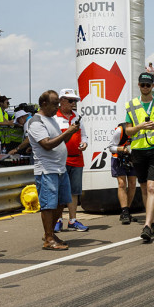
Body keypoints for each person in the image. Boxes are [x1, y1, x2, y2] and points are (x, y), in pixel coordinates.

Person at [27, 90, 79, 251]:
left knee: (62, 201)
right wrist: (68, 133)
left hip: (59, 168)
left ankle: (49, 232)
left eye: (58, 103)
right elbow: (47, 144)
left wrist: (70, 132)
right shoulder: (36, 122)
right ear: (43, 104)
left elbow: (60, 140)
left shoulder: (51, 119)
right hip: (47, 169)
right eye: (54, 103)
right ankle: (49, 238)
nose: (57, 106)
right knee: (48, 205)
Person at [123, 72, 154, 243]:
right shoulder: (131, 105)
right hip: (138, 150)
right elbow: (127, 130)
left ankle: (147, 226)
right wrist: (139, 127)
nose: (145, 87)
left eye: (148, 85)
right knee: (144, 188)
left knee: (152, 188)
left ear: (152, 86)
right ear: (139, 86)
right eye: (142, 85)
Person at [54, 89, 89, 232]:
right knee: (60, 191)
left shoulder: (77, 117)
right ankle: (58, 220)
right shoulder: (54, 118)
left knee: (74, 192)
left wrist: (84, 143)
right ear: (61, 101)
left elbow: (84, 136)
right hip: (60, 160)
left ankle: (73, 220)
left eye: (75, 101)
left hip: (77, 159)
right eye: (70, 100)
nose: (73, 103)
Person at [106, 119, 138, 224]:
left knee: (133, 183)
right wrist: (122, 149)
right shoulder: (120, 130)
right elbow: (111, 147)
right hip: (119, 158)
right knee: (122, 183)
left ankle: (127, 211)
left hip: (132, 158)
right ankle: (124, 211)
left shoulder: (140, 130)